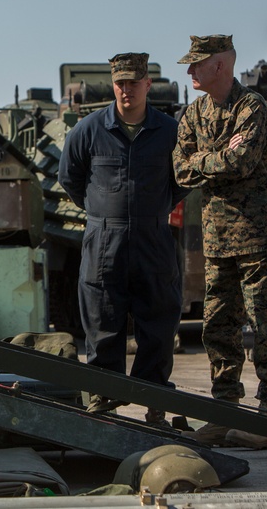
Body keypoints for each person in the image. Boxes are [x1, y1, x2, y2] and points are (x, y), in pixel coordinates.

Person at [172, 35, 267, 450]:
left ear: (219, 66)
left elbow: (242, 164)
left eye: (196, 64)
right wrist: (218, 155)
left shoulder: (251, 108)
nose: (189, 72)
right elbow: (181, 173)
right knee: (218, 328)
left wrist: (206, 160)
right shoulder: (193, 114)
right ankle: (225, 412)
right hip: (218, 240)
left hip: (260, 237)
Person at [58, 52, 188, 426]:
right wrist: (102, 213)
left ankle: (154, 403)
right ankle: (103, 402)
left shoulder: (169, 131)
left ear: (148, 84)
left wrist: (156, 209)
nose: (126, 89)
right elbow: (71, 177)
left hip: (153, 238)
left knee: (159, 324)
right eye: (120, 83)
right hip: (104, 242)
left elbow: (181, 181)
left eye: (134, 82)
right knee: (102, 322)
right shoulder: (90, 129)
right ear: (113, 85)